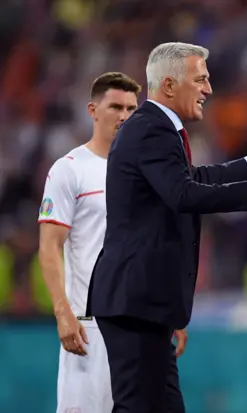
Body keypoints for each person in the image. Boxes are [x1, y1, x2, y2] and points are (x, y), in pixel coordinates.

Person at [86, 42, 247, 413]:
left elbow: (191, 177)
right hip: (135, 300)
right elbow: (183, 193)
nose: (209, 90)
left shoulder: (155, 128)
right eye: (201, 80)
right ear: (169, 86)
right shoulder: (151, 129)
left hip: (143, 302)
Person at [37, 72, 143, 413]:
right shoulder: (70, 170)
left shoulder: (146, 172)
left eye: (131, 108)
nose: (124, 115)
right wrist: (62, 311)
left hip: (138, 324)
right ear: (93, 110)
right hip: (89, 325)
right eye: (115, 106)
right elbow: (50, 246)